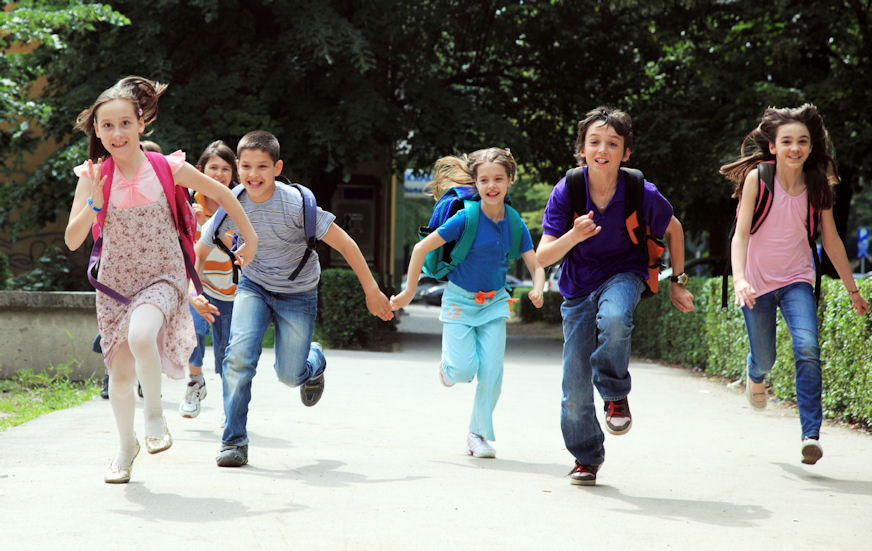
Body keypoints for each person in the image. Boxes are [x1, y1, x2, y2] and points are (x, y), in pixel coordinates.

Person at [64, 76, 258, 484]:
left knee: (141, 335)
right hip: (115, 283)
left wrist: (251, 236)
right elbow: (72, 239)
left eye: (124, 123)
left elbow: (224, 195)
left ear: (140, 123)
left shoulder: (165, 166)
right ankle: (124, 448)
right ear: (96, 131)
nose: (117, 133)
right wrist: (92, 204)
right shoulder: (93, 174)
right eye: (107, 126)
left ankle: (154, 414)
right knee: (118, 373)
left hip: (163, 275)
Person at [196, 130, 394, 468]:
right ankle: (234, 441)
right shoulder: (232, 203)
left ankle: (312, 361)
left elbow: (345, 243)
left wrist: (372, 291)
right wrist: (194, 293)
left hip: (298, 292)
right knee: (238, 357)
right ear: (238, 168)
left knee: (289, 375)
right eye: (246, 166)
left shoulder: (296, 204)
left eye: (262, 166)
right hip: (254, 287)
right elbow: (198, 253)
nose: (253, 175)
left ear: (277, 167)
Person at [536, 106, 695, 485]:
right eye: (594, 142)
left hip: (626, 273)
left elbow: (674, 229)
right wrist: (574, 235)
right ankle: (586, 457)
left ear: (625, 152)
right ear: (582, 149)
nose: (602, 149)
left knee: (614, 317)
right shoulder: (568, 190)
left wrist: (679, 280)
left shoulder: (641, 190)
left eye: (612, 143)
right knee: (574, 388)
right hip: (577, 288)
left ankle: (614, 393)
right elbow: (542, 256)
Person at [721, 104, 868, 465]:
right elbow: (739, 236)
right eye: (786, 141)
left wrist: (852, 290)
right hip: (755, 283)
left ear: (810, 146)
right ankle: (754, 373)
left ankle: (810, 435)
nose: (795, 148)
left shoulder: (817, 184)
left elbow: (830, 241)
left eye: (802, 141)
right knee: (766, 359)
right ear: (773, 146)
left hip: (797, 279)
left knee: (807, 348)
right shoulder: (759, 178)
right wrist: (739, 279)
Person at [391, 148, 545, 459]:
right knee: (462, 371)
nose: (492, 186)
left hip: (494, 304)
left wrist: (538, 289)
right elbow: (421, 248)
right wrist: (408, 292)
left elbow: (536, 264)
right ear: (474, 183)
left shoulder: (514, 221)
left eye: (498, 179)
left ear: (510, 180)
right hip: (460, 301)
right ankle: (449, 368)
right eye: (484, 180)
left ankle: (477, 435)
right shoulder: (466, 216)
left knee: (491, 370)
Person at [179, 141, 239, 419]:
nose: (219, 174)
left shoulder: (238, 203)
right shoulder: (188, 201)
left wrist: (214, 226)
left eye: (225, 168)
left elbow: (243, 244)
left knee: (227, 353)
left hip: (230, 290)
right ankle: (195, 382)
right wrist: (193, 222)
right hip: (197, 285)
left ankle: (232, 409)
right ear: (200, 170)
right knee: (193, 334)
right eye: (213, 167)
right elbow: (178, 244)